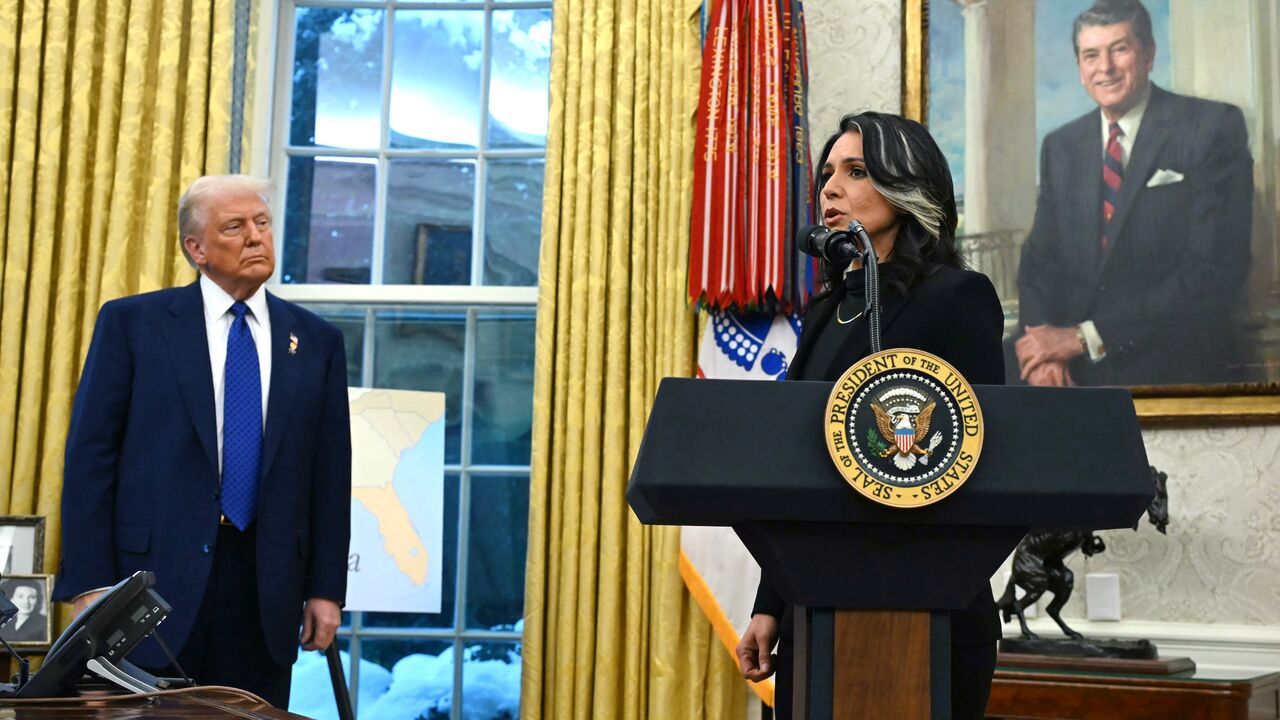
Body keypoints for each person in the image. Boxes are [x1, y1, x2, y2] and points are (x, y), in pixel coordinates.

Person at [735, 111, 1005, 719]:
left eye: (856, 172)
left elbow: (977, 457)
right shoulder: (826, 311)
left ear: (908, 186)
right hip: (816, 615)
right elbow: (796, 476)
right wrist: (770, 605)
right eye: (828, 173)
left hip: (930, 612)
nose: (829, 188)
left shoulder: (955, 298)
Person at [54, 175, 352, 707]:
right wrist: (88, 584)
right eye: (235, 227)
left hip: (265, 590)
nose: (256, 237)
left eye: (262, 223)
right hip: (149, 584)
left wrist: (326, 588)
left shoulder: (315, 341)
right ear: (196, 249)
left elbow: (330, 475)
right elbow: (90, 459)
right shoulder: (134, 324)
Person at [1014, 0, 1253, 387]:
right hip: (1070, 361)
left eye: (1119, 49)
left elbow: (1211, 269)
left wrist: (1083, 338)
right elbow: (1039, 262)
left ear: (1149, 55)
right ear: (1079, 68)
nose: (1104, 68)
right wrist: (1042, 349)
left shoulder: (1210, 127)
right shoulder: (1061, 145)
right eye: (1091, 55)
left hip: (1170, 352)